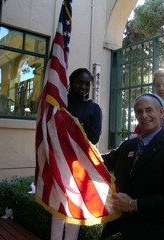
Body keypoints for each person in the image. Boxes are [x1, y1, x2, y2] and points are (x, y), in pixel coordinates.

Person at [100, 93, 164, 240]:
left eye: (149, 110)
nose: (144, 115)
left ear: (160, 112)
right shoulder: (128, 145)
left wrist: (134, 204)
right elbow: (98, 162)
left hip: (155, 232)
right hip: (126, 231)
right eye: (139, 111)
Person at [51, 68, 103, 240]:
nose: (83, 86)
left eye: (87, 83)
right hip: (59, 162)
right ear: (71, 83)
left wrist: (71, 132)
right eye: (79, 82)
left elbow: (93, 138)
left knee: (75, 207)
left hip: (80, 166)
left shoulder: (94, 109)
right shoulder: (61, 106)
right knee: (58, 208)